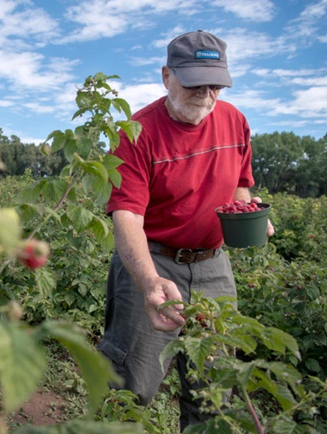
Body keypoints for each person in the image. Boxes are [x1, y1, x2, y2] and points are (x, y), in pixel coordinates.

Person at [97, 30, 275, 431]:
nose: (205, 94)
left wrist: (250, 214)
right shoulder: (135, 133)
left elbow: (240, 186)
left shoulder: (234, 122)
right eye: (194, 82)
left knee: (213, 390)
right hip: (154, 260)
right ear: (167, 76)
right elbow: (127, 219)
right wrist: (148, 282)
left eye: (215, 84)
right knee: (129, 385)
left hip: (213, 266)